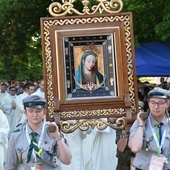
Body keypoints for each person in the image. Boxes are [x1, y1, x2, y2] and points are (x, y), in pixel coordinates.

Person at [5, 95, 72, 170]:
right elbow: (9, 166)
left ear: (44, 112)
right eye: (31, 111)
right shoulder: (16, 135)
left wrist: (58, 137)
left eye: (38, 111)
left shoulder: (52, 132)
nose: (35, 115)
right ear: (25, 113)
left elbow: (67, 161)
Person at [128, 87, 170, 170]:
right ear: (148, 103)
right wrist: (141, 125)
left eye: (160, 103)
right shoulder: (140, 121)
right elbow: (135, 148)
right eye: (152, 102)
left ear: (167, 104)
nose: (156, 106)